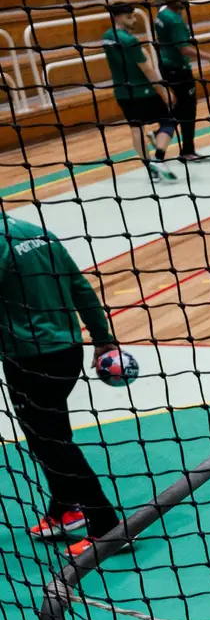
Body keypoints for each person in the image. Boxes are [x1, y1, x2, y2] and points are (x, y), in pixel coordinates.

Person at [0, 211, 126, 559]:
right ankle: (64, 511)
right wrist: (103, 338)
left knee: (51, 442)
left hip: (30, 358)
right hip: (66, 352)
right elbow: (79, 286)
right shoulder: (37, 231)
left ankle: (106, 526)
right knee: (50, 434)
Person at [101, 2, 178, 183]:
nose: (134, 20)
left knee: (136, 128)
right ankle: (158, 158)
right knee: (169, 122)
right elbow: (147, 69)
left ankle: (150, 167)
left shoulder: (106, 37)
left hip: (122, 92)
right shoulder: (130, 41)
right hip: (143, 91)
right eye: (130, 17)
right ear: (118, 17)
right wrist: (163, 91)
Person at [152, 0, 210, 164]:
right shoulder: (175, 20)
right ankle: (187, 150)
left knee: (180, 106)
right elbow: (184, 49)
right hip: (179, 69)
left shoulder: (161, 13)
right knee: (188, 110)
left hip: (166, 66)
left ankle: (160, 134)